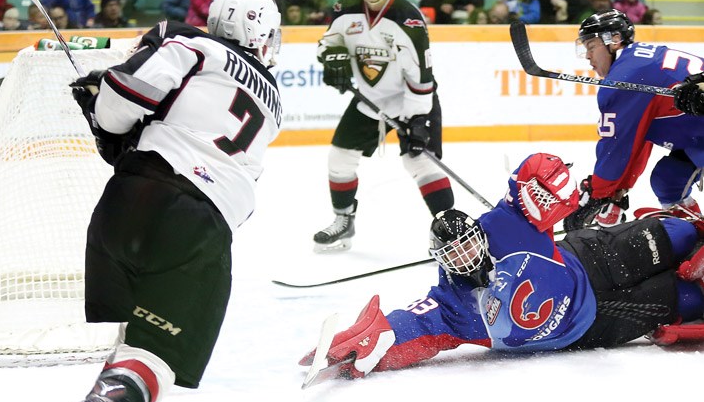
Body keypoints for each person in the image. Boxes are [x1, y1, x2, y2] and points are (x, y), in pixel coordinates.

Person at [45, 0, 283, 402]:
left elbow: (122, 105)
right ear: (262, 35)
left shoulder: (186, 42)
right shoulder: (273, 100)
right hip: (197, 220)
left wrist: (104, 119)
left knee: (137, 332)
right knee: (157, 355)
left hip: (123, 205)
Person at [299, 153, 704, 384]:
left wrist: (543, 181)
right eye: (454, 255)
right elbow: (412, 328)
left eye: (470, 244)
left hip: (589, 259)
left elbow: (535, 178)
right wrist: (378, 338)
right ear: (441, 261)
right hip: (598, 322)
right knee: (689, 299)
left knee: (679, 235)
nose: (467, 257)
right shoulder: (452, 306)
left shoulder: (505, 224)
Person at [313, 0, 454, 252]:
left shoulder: (408, 19)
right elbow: (329, 42)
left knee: (421, 163)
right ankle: (343, 220)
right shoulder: (344, 10)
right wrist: (331, 61)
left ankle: (450, 233)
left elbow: (421, 76)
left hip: (411, 99)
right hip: (370, 99)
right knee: (339, 159)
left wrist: (418, 119)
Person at [563, 9, 704, 231]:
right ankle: (696, 235)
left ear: (615, 40)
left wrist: (598, 192)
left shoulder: (625, 77)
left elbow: (617, 146)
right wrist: (617, 190)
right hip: (699, 138)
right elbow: (637, 137)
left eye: (591, 47)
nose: (588, 56)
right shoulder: (637, 63)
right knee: (668, 180)